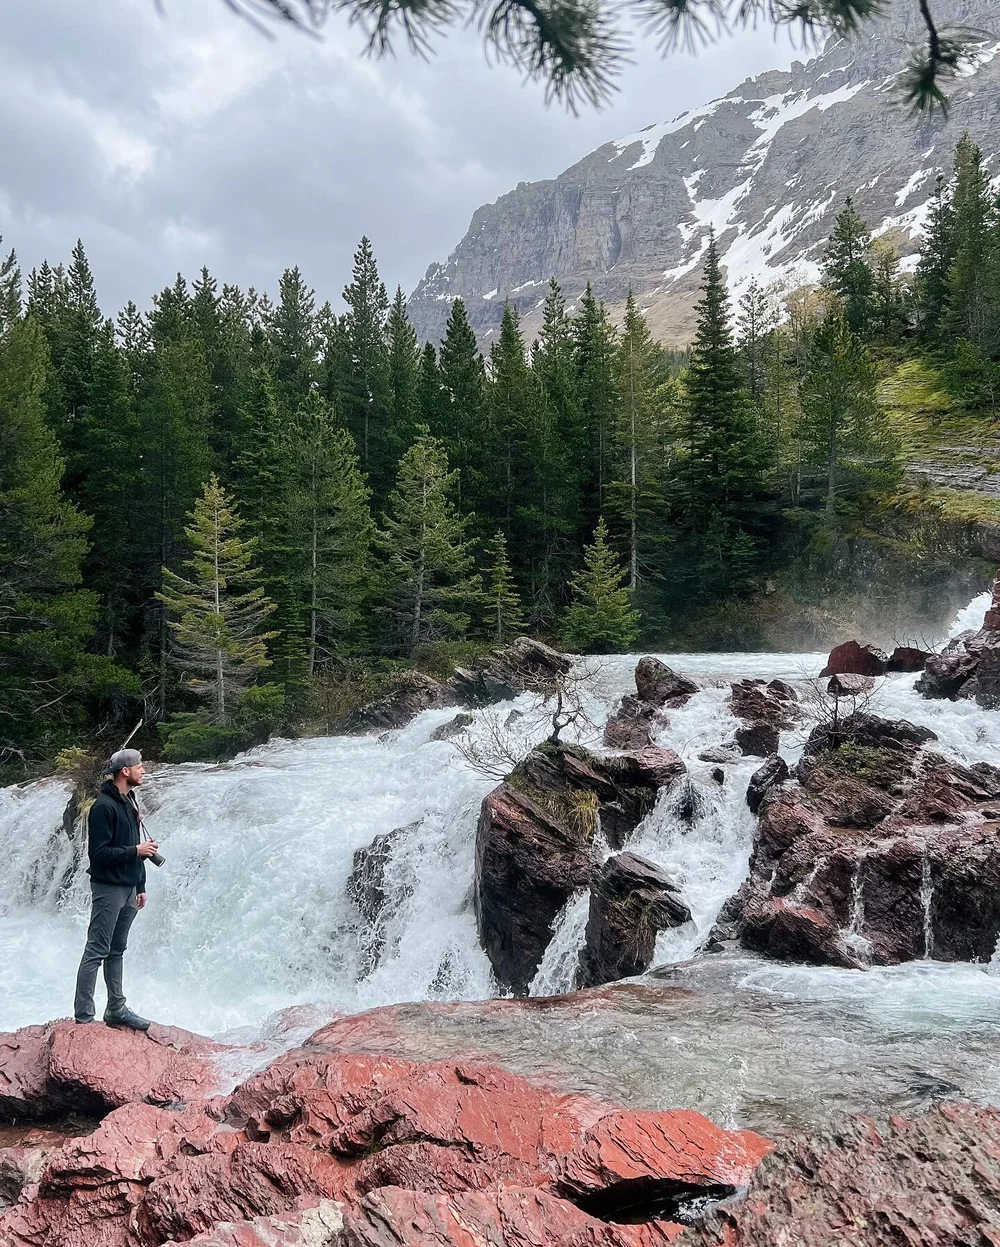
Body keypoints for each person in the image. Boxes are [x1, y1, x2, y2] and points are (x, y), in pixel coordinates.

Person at [73, 748, 159, 1030]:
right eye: (139, 766)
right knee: (96, 950)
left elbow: (137, 847)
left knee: (117, 950)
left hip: (129, 886)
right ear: (125, 771)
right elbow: (98, 854)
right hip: (108, 888)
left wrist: (141, 884)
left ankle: (116, 1009)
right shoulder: (103, 807)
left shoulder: (129, 800)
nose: (143, 770)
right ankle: (84, 1018)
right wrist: (136, 850)